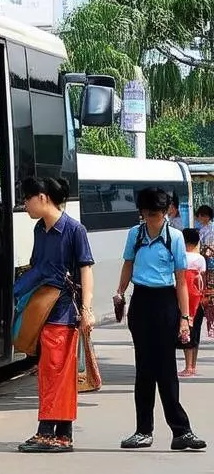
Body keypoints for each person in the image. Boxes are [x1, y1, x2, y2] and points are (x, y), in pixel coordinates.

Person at [115, 187, 206, 451]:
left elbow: (180, 280)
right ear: (141, 213)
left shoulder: (175, 237)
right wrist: (119, 293)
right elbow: (128, 265)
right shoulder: (135, 235)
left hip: (166, 302)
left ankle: (181, 431)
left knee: (165, 369)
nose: (153, 219)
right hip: (141, 302)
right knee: (144, 369)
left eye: (157, 214)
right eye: (148, 214)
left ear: (165, 212)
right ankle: (143, 430)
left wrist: (185, 317)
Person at [16, 176, 95, 453]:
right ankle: (61, 434)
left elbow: (86, 269)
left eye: (26, 199)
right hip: (43, 309)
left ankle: (48, 432)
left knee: (54, 372)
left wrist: (86, 310)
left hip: (63, 310)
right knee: (53, 373)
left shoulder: (74, 229)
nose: (24, 205)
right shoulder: (40, 229)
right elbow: (38, 267)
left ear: (42, 197)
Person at [179, 228, 206, 378]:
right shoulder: (200, 258)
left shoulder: (181, 257)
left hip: (185, 301)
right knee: (195, 332)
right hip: (198, 300)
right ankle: (193, 365)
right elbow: (203, 277)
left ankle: (187, 366)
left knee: (186, 331)